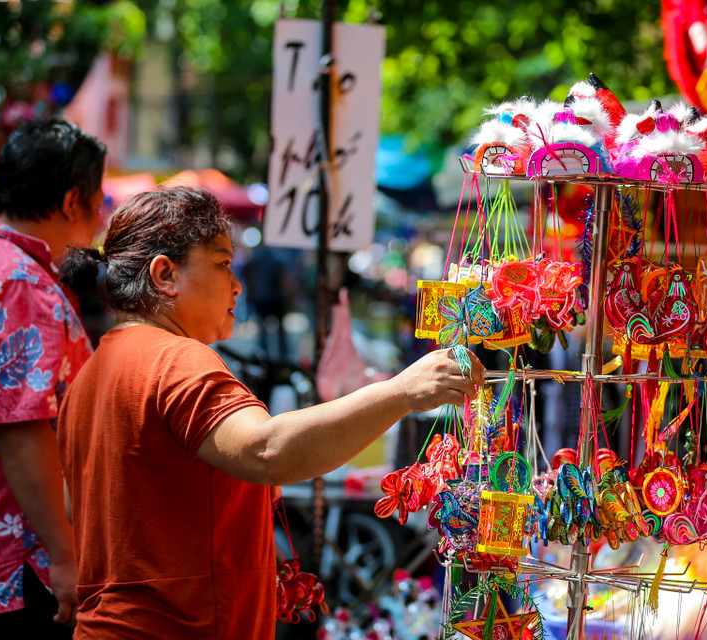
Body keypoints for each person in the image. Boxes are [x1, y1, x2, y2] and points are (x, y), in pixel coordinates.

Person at [56, 186, 483, 639]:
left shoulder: (90, 374)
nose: (237, 283)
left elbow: (84, 506)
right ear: (165, 276)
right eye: (222, 264)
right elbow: (265, 450)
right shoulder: (176, 359)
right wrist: (401, 392)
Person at [0, 119, 106, 635]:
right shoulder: (16, 284)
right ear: (72, 202)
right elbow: (22, 432)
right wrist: (65, 556)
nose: (99, 218)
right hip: (6, 570)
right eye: (97, 202)